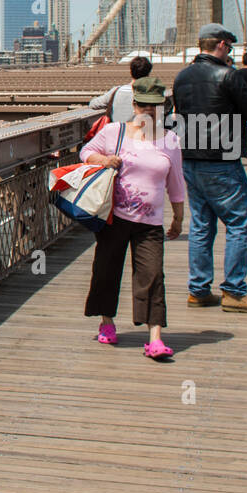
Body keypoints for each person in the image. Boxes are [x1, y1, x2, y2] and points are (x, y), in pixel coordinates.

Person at [80, 77, 187, 360]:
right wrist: (103, 161)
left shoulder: (170, 140)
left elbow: (175, 181)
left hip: (150, 222)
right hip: (115, 216)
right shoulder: (114, 132)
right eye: (145, 106)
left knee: (152, 275)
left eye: (156, 107)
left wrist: (178, 216)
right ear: (135, 104)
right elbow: (85, 152)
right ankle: (106, 321)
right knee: (106, 269)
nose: (150, 112)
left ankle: (155, 338)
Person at [171, 23, 247, 312]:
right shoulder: (228, 75)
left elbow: (180, 116)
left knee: (202, 226)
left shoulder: (182, 77)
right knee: (239, 224)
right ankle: (234, 292)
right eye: (230, 47)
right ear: (221, 45)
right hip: (222, 161)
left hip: (190, 160)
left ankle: (199, 290)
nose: (230, 52)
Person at [89, 55, 152, 126]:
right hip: (139, 134)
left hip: (117, 134)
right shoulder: (152, 94)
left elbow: (93, 104)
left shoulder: (116, 91)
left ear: (131, 72)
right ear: (148, 74)